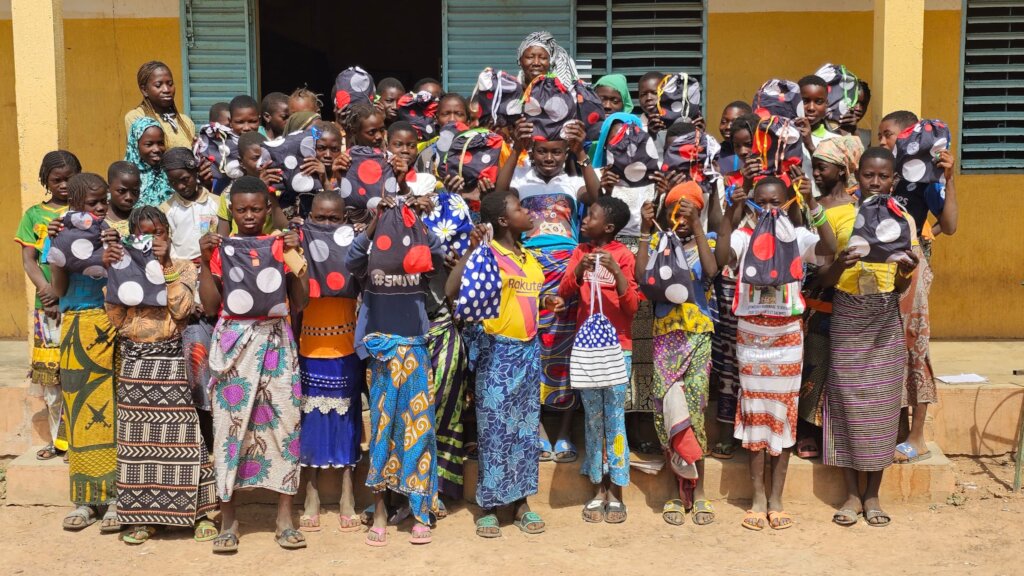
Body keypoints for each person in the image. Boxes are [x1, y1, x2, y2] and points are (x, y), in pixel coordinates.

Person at [716, 172, 836, 531]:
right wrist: (731, 211)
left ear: (787, 203)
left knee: (782, 414)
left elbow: (828, 248)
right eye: (761, 201)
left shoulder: (796, 237)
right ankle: (756, 499)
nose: (768, 208)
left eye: (775, 201)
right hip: (751, 338)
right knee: (755, 413)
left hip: (787, 337)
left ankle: (776, 499)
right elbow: (723, 255)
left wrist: (813, 204)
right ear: (753, 202)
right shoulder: (743, 235)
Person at [198, 175, 309, 553]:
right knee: (229, 431)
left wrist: (296, 259)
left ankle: (284, 519)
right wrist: (202, 260)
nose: (248, 216)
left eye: (256, 209)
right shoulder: (219, 248)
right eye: (241, 209)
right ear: (232, 210)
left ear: (267, 209)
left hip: (277, 341)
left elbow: (302, 301)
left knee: (284, 424)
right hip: (234, 344)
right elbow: (212, 307)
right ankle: (228, 520)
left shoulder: (284, 245)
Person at [446, 191, 564, 538]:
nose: (528, 212)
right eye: (519, 208)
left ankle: (522, 503)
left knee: (526, 433)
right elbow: (455, 291)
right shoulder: (488, 254)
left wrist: (547, 300)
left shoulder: (529, 258)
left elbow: (525, 297)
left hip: (528, 353)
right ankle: (489, 505)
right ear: (502, 220)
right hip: (497, 353)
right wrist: (470, 252)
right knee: (495, 432)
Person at [103, 206, 218, 545]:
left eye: (157, 232)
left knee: (184, 441)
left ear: (167, 233)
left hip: (170, 361)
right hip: (135, 363)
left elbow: (182, 309)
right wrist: (114, 270)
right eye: (143, 233)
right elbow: (115, 315)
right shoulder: (124, 267)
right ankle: (144, 517)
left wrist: (165, 267)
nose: (151, 239)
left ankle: (198, 514)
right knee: (138, 444)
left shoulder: (182, 267)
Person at [821, 147, 919, 527]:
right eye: (868, 175)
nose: (875, 182)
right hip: (847, 314)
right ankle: (849, 496)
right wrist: (841, 264)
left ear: (894, 179)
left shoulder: (903, 220)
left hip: (883, 318)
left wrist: (903, 273)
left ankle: (873, 495)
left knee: (881, 408)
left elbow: (901, 286)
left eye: (883, 176)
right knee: (845, 403)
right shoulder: (840, 218)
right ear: (855, 177)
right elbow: (822, 279)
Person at [496, 116, 600, 463]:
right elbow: (499, 192)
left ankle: (565, 433)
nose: (550, 158)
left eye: (556, 152)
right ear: (534, 152)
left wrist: (581, 154)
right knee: (533, 350)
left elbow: (597, 196)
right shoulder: (521, 182)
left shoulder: (572, 183)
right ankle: (537, 430)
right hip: (531, 275)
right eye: (542, 152)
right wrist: (517, 150)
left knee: (566, 350)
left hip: (567, 275)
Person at [345, 195, 446, 547]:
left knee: (418, 430)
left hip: (415, 348)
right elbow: (351, 257)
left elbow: (438, 248)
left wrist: (414, 217)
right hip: (382, 353)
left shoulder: (418, 253)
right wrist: (376, 221)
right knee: (382, 433)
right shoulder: (371, 256)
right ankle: (381, 511)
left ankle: (420, 512)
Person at [877, 110, 958, 466]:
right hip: (880, 269)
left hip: (911, 269)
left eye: (887, 135)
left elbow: (950, 224)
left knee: (915, 345)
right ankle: (892, 430)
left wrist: (948, 179)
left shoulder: (925, 181)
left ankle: (917, 436)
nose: (882, 142)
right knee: (887, 346)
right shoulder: (882, 176)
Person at [637, 183, 719, 527]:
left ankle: (698, 492)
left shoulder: (707, 241)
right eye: (676, 211)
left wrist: (698, 226)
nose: (681, 218)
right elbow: (642, 279)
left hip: (698, 336)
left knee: (695, 413)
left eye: (688, 210)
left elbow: (712, 272)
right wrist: (644, 231)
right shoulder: (659, 243)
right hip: (664, 339)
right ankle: (675, 489)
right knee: (667, 414)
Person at [558, 195, 638, 524]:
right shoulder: (581, 252)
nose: (584, 220)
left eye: (590, 216)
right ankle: (597, 489)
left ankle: (616, 489)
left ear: (608, 227)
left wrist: (615, 271)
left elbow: (632, 308)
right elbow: (563, 293)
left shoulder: (624, 255)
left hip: (619, 348)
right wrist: (579, 269)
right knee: (593, 418)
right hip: (587, 350)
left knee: (614, 418)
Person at [48, 173, 120, 533]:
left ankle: (115, 498)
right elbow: (58, 289)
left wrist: (112, 256)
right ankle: (85, 500)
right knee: (80, 412)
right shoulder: (58, 236)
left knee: (113, 410)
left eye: (103, 200)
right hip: (76, 326)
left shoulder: (110, 234)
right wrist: (59, 255)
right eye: (93, 203)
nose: (101, 207)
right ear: (75, 205)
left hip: (109, 325)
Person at [295, 191, 364, 534]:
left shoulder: (356, 250)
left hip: (346, 349)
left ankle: (347, 494)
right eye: (319, 218)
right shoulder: (299, 245)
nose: (325, 224)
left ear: (345, 221)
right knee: (312, 421)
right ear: (308, 219)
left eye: (334, 219)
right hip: (309, 349)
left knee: (346, 419)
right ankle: (311, 495)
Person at [796, 135, 865, 459]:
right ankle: (807, 430)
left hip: (843, 297)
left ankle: (831, 434)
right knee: (811, 366)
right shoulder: (808, 205)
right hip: (809, 296)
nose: (817, 173)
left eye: (822, 167)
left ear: (841, 170)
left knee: (834, 369)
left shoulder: (854, 209)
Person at [15, 150, 80, 461]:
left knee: (77, 375)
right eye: (57, 180)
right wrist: (46, 291)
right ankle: (60, 442)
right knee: (53, 380)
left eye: (70, 179)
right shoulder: (33, 216)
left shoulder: (86, 211)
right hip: (49, 308)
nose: (64, 185)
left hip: (79, 302)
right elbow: (28, 260)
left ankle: (81, 441)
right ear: (46, 181)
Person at [216, 131, 286, 235]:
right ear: (241, 162)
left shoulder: (281, 189)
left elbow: (284, 228)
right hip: (239, 248)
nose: (262, 162)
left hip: (270, 248)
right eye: (256, 158)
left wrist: (270, 193)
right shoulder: (229, 193)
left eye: (266, 156)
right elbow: (223, 237)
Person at [160, 147, 220, 261]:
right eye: (173, 182)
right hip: (181, 269)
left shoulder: (217, 202)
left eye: (185, 179)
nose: (180, 186)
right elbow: (165, 242)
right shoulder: (165, 209)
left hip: (214, 265)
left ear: (196, 171)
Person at [124, 61, 196, 149]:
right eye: (158, 85)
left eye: (170, 84)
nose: (166, 89)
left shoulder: (186, 122)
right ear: (144, 90)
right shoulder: (137, 117)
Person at [796, 75, 839, 197]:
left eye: (818, 102)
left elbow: (836, 183)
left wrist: (809, 144)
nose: (811, 108)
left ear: (826, 104)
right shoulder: (785, 137)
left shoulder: (835, 141)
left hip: (822, 207)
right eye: (805, 101)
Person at [125, 117, 171, 206]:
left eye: (160, 143)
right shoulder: (124, 176)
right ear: (135, 145)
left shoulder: (170, 173)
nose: (157, 149)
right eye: (149, 144)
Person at [105, 161, 141, 236]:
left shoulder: (140, 218)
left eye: (135, 191)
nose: (129, 197)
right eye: (121, 191)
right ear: (108, 188)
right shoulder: (99, 217)